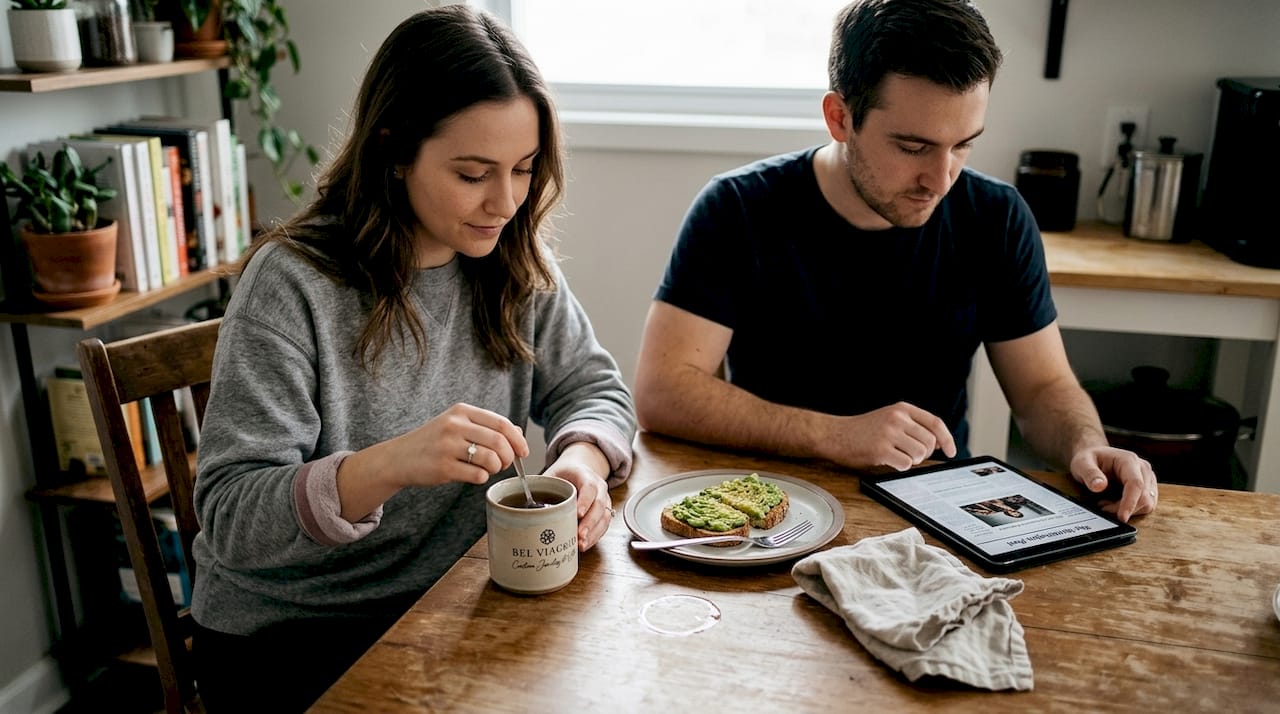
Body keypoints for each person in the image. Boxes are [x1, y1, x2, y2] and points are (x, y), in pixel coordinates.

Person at [190, 6, 636, 711]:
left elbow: (596, 389)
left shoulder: (510, 261)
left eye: (523, 170)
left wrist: (582, 464)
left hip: (449, 604)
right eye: (472, 174)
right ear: (394, 149)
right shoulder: (291, 284)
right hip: (290, 635)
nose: (506, 202)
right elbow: (231, 516)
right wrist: (390, 465)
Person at [632, 0, 1157, 525]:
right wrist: (833, 435)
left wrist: (1087, 446)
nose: (941, 177)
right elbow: (663, 391)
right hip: (773, 511)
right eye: (913, 147)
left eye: (963, 146)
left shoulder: (996, 217)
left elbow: (1043, 388)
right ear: (840, 118)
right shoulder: (738, 209)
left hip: (939, 512)